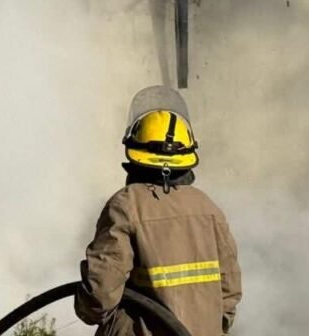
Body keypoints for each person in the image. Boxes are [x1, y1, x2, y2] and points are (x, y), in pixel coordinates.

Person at [75, 87, 242, 336]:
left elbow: (99, 297)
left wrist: (88, 309)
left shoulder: (125, 206)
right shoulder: (208, 209)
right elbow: (229, 292)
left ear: (135, 155)